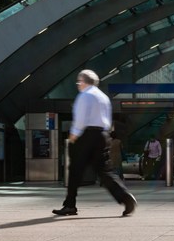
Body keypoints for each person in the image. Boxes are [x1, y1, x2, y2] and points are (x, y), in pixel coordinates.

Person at [53, 69, 136, 216]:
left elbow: (80, 119)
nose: (78, 85)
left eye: (79, 82)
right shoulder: (103, 97)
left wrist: (73, 136)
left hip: (86, 135)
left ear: (83, 82)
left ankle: (70, 205)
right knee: (104, 171)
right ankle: (125, 197)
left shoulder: (85, 95)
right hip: (103, 136)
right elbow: (108, 120)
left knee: (74, 171)